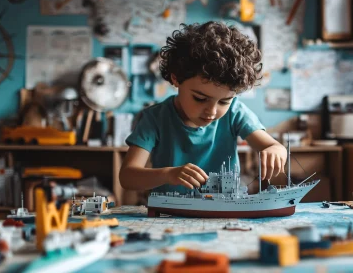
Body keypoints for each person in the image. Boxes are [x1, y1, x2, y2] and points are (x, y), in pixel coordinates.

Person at [119, 21, 287, 194]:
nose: (212, 112)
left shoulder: (235, 112)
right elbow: (127, 177)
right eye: (200, 98)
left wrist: (275, 150)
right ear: (176, 79)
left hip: (225, 212)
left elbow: (274, 147)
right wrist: (168, 174)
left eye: (224, 101)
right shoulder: (154, 118)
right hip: (172, 215)